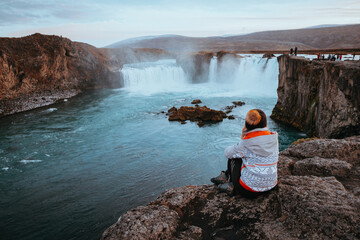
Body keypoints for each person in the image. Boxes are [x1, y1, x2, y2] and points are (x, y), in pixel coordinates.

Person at [211, 109, 279, 197]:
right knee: (244, 156)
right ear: (265, 123)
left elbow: (227, 153)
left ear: (247, 123)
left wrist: (241, 139)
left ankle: (229, 181)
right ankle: (226, 176)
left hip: (248, 191)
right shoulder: (274, 137)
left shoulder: (246, 142)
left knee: (234, 157)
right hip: (270, 187)